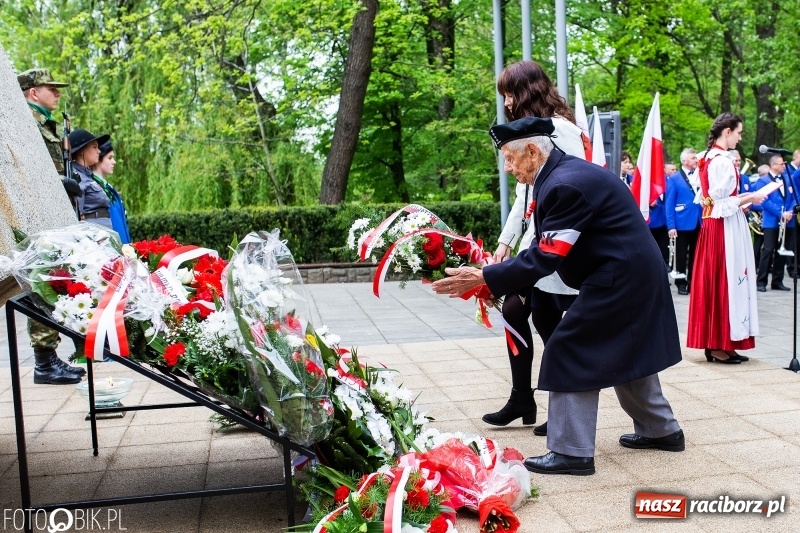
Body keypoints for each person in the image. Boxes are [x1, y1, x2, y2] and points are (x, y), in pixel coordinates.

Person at [434, 117, 684, 476]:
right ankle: (663, 431)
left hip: (621, 278)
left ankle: (571, 453)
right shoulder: (560, 175)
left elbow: (547, 255)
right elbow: (544, 246)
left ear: (533, 152)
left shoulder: (563, 184)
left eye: (509, 158)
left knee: (569, 346)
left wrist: (487, 277)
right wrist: (495, 275)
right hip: (627, 273)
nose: (508, 168)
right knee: (627, 349)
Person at [483, 60, 581, 437]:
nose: (507, 103)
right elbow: (525, 192)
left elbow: (574, 187)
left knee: (550, 326)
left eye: (510, 93)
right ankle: (523, 396)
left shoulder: (562, 131)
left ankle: (560, 403)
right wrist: (506, 241)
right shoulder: (532, 133)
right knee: (515, 311)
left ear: (526, 91)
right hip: (535, 243)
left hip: (558, 245)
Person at [18, 68, 84, 385]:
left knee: (53, 282)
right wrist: (60, 184)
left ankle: (51, 356)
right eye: (51, 88)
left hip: (51, 217)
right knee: (43, 284)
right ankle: (44, 362)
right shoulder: (25, 125)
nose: (57, 93)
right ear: (33, 92)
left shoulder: (45, 124)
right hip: (36, 219)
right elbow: (23, 173)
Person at [687, 112, 766, 363]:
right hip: (722, 227)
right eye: (739, 133)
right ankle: (718, 343)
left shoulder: (707, 157)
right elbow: (719, 202)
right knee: (725, 279)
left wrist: (740, 201)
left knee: (724, 280)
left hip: (717, 224)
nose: (740, 138)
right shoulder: (721, 160)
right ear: (728, 131)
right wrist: (750, 197)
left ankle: (724, 342)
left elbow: (708, 200)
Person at [754, 154, 795, 292]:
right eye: (781, 164)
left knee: (782, 251)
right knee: (768, 249)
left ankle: (777, 281)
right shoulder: (763, 181)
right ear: (773, 165)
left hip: (787, 220)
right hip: (771, 221)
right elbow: (764, 201)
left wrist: (790, 212)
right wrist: (780, 213)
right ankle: (761, 281)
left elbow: (795, 196)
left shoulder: (788, 178)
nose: (784, 165)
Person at [665, 149, 702, 295]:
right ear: (684, 161)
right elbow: (669, 204)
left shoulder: (700, 176)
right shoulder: (674, 179)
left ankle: (693, 283)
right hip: (681, 222)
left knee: (696, 255)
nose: (696, 160)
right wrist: (671, 226)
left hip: (698, 221)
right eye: (693, 158)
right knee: (680, 255)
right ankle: (681, 282)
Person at [68, 129, 111, 226]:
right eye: (94, 147)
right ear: (81, 151)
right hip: (94, 234)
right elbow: (77, 215)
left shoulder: (88, 175)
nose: (99, 151)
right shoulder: (77, 177)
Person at [93, 140, 132, 243]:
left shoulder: (107, 187)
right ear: (98, 159)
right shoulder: (94, 189)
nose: (114, 162)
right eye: (109, 158)